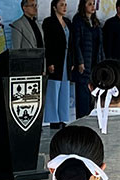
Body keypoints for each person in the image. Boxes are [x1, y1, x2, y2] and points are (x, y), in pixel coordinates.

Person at [43, 0, 73, 129]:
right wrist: (49, 62)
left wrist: (72, 61)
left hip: (66, 59)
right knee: (54, 89)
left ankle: (63, 118)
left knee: (64, 89)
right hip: (55, 60)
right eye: (62, 5)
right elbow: (48, 44)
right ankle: (53, 120)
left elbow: (71, 43)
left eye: (65, 5)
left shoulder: (68, 22)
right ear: (54, 7)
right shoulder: (49, 22)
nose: (64, 7)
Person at [72, 0, 104, 119]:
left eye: (93, 4)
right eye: (89, 4)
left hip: (95, 63)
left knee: (93, 92)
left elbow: (100, 45)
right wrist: (80, 61)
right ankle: (82, 118)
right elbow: (76, 43)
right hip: (84, 63)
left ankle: (91, 116)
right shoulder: (78, 21)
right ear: (83, 6)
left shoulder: (96, 22)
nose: (92, 6)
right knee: (83, 92)